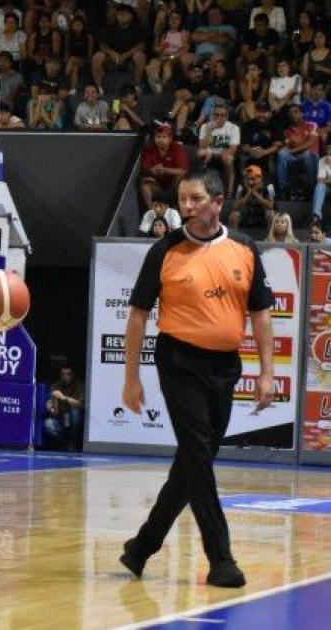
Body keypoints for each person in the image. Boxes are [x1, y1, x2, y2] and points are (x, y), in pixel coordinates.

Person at [121, 170, 275, 589]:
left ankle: (141, 547)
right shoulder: (165, 249)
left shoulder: (244, 248)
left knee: (194, 461)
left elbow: (260, 314)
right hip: (178, 361)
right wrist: (130, 377)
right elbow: (137, 314)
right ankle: (221, 559)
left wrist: (267, 372)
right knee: (197, 455)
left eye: (194, 199)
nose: (185, 207)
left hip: (226, 367)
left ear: (217, 202)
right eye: (182, 200)